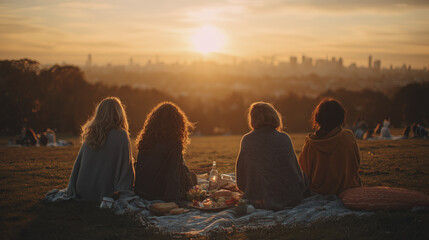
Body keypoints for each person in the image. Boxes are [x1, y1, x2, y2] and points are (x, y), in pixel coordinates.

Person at [235, 102, 309, 210]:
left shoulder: (247, 140)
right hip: (290, 196)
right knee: (306, 177)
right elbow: (296, 174)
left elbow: (241, 181)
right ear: (274, 116)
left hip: (258, 198)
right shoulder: (284, 138)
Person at [66, 97, 134, 202]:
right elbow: (126, 169)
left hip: (82, 190)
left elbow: (78, 165)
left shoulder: (91, 133)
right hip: (104, 193)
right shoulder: (121, 135)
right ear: (119, 113)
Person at [134, 102, 197, 202]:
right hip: (157, 193)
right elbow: (172, 175)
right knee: (192, 177)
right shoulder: (175, 143)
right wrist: (175, 201)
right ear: (178, 123)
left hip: (141, 190)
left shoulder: (146, 139)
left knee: (189, 174)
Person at [298, 98, 362, 196]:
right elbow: (356, 163)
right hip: (347, 190)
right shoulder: (348, 137)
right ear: (341, 117)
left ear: (318, 118)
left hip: (318, 192)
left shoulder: (311, 144)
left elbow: (303, 173)